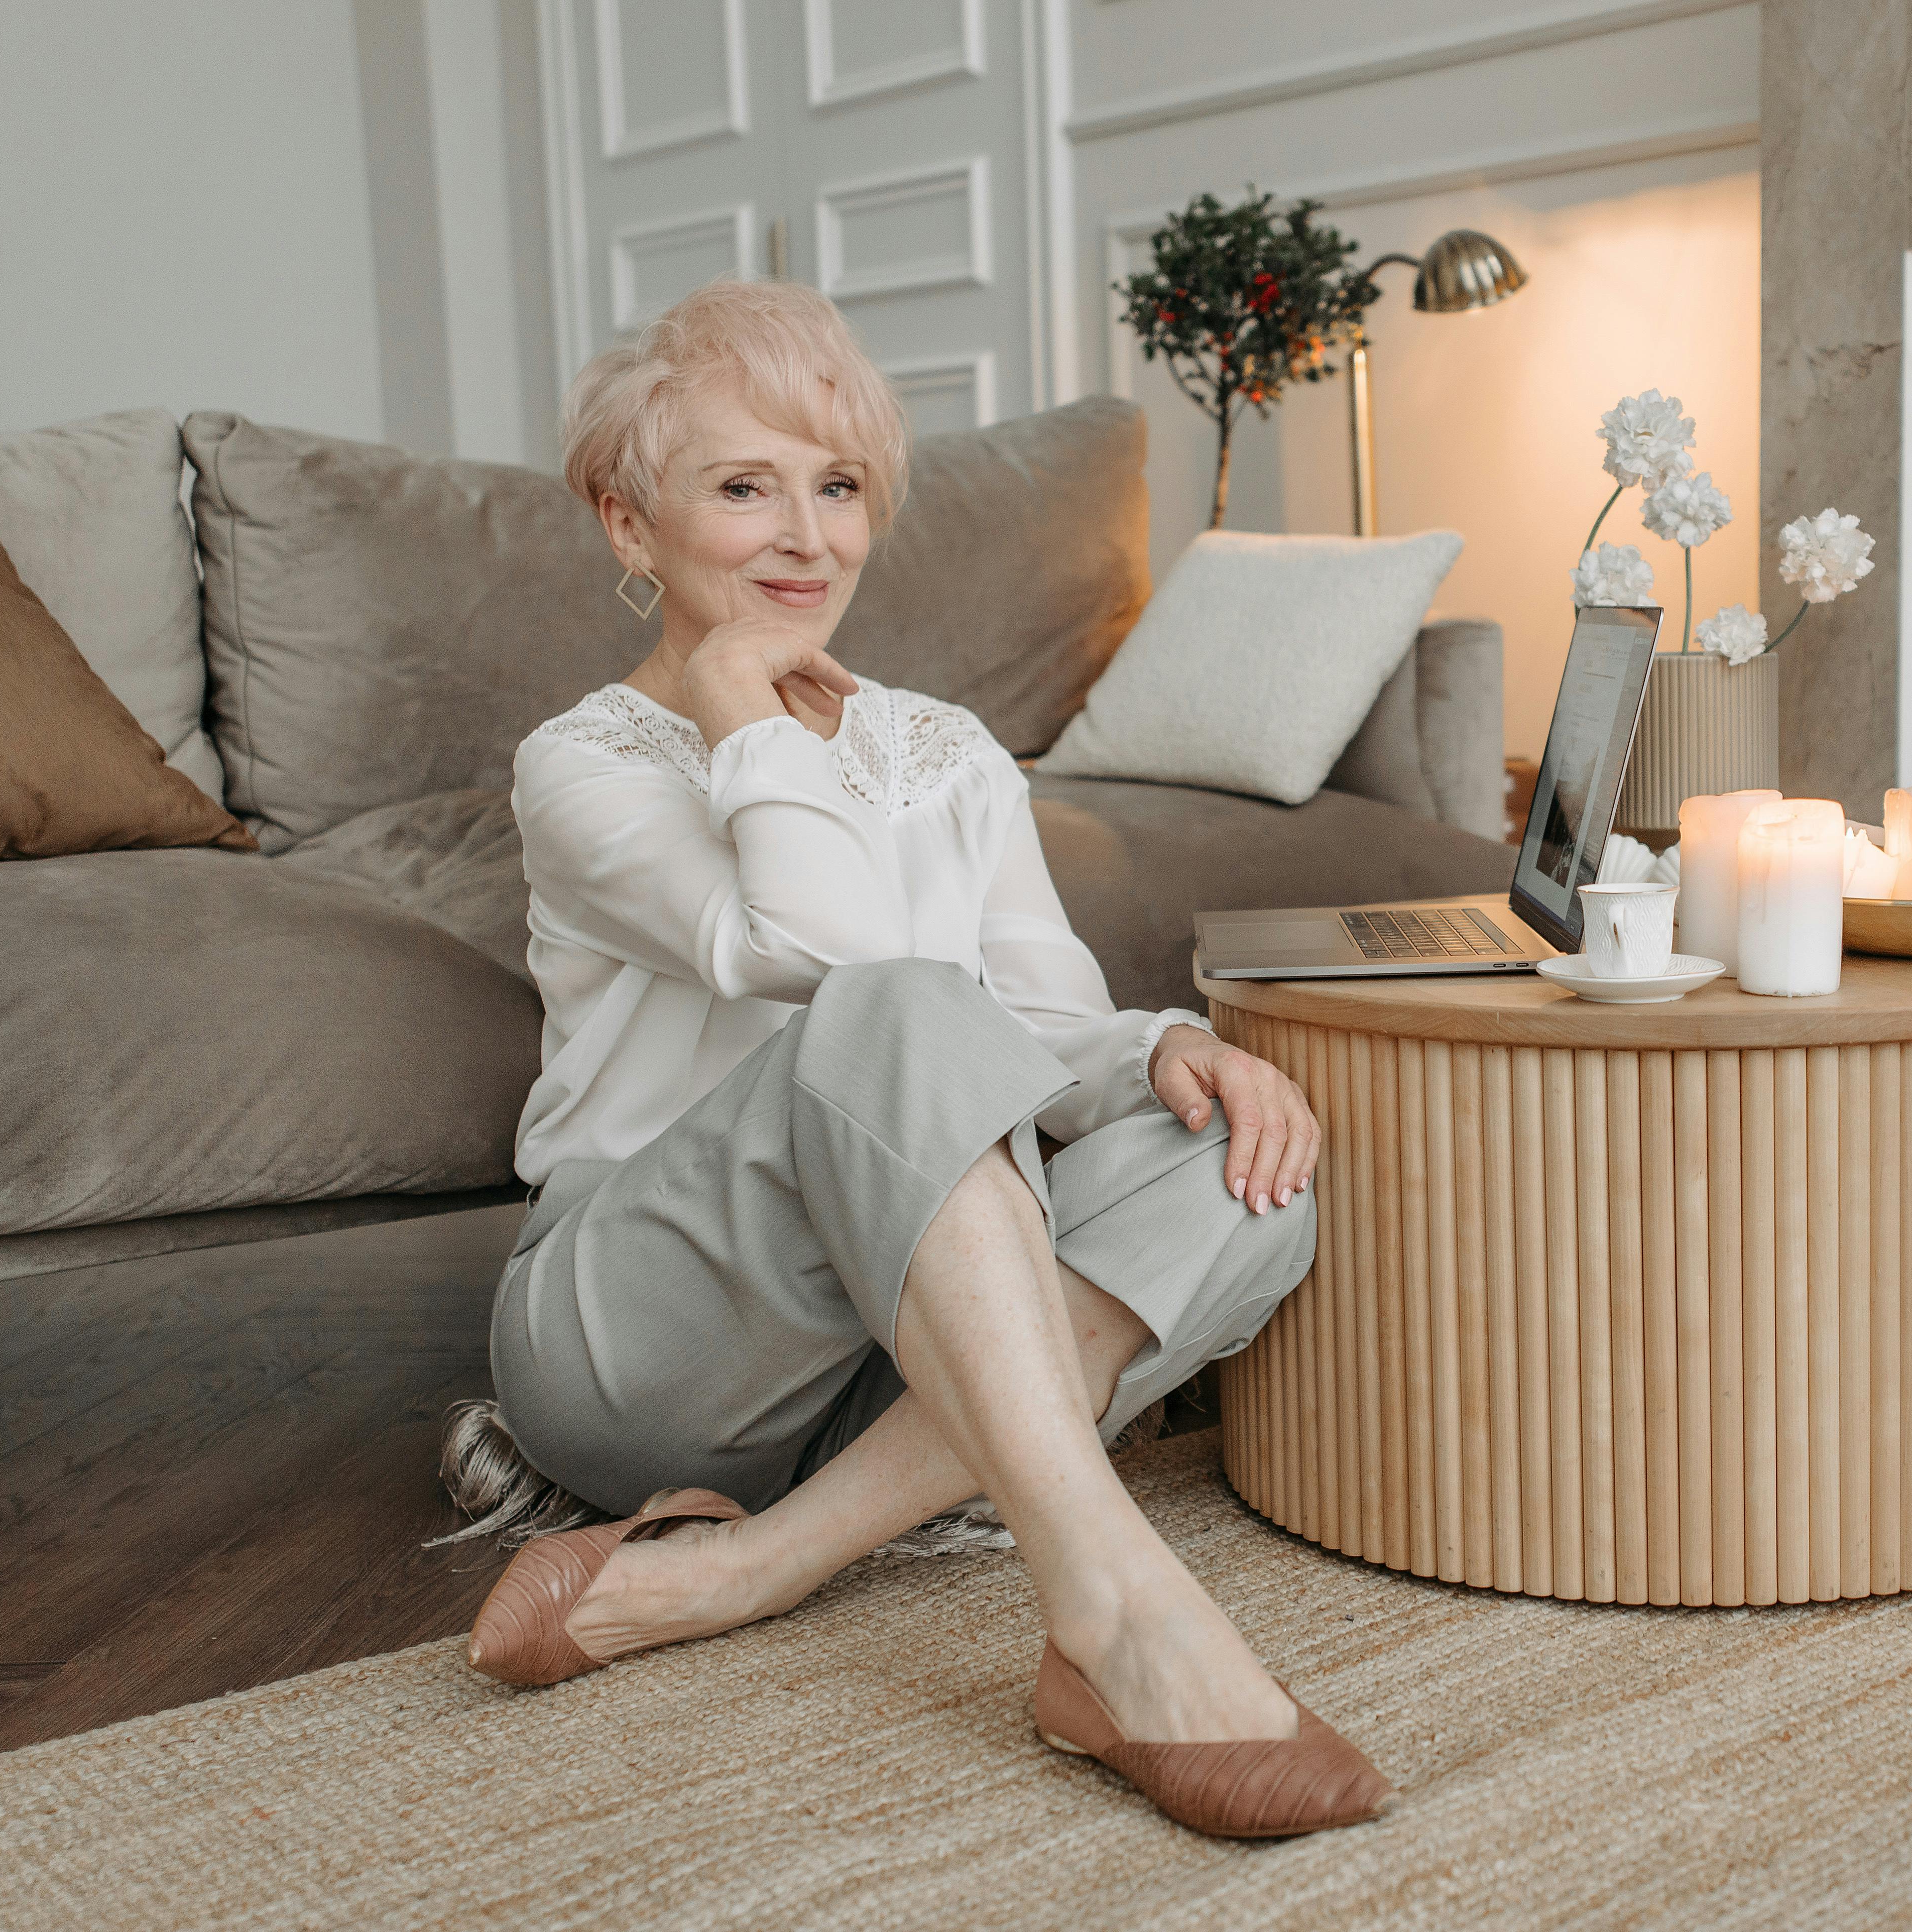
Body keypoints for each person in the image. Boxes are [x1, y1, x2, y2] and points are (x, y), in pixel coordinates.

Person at [446, 279, 1387, 1839]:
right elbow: (822, 964)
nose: (805, 537)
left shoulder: (943, 749)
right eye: (743, 486)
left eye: (838, 486)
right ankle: (1121, 1616)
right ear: (630, 525)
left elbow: (1036, 1017)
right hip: (645, 1333)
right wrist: (748, 722)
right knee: (892, 1007)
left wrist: (1170, 1049)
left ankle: (749, 1566)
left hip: (898, 1344)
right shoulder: (585, 765)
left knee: (1250, 1178)